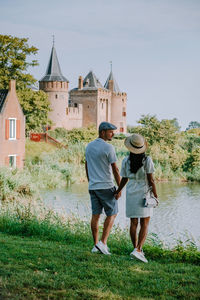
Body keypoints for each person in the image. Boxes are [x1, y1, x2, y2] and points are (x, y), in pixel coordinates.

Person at [114, 133, 158, 263]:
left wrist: (118, 191)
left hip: (131, 193)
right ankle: (138, 250)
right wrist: (155, 195)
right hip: (144, 194)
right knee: (145, 223)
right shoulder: (147, 160)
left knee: (133, 223)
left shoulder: (126, 161)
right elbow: (151, 180)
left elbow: (124, 179)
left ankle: (136, 249)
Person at [85, 122, 121, 255]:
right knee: (112, 213)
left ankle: (95, 245)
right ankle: (103, 243)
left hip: (93, 187)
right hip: (106, 186)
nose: (113, 134)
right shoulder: (108, 148)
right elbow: (115, 169)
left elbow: (86, 166)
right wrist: (120, 188)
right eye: (111, 131)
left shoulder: (88, 146)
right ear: (102, 132)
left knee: (95, 215)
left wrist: (91, 182)